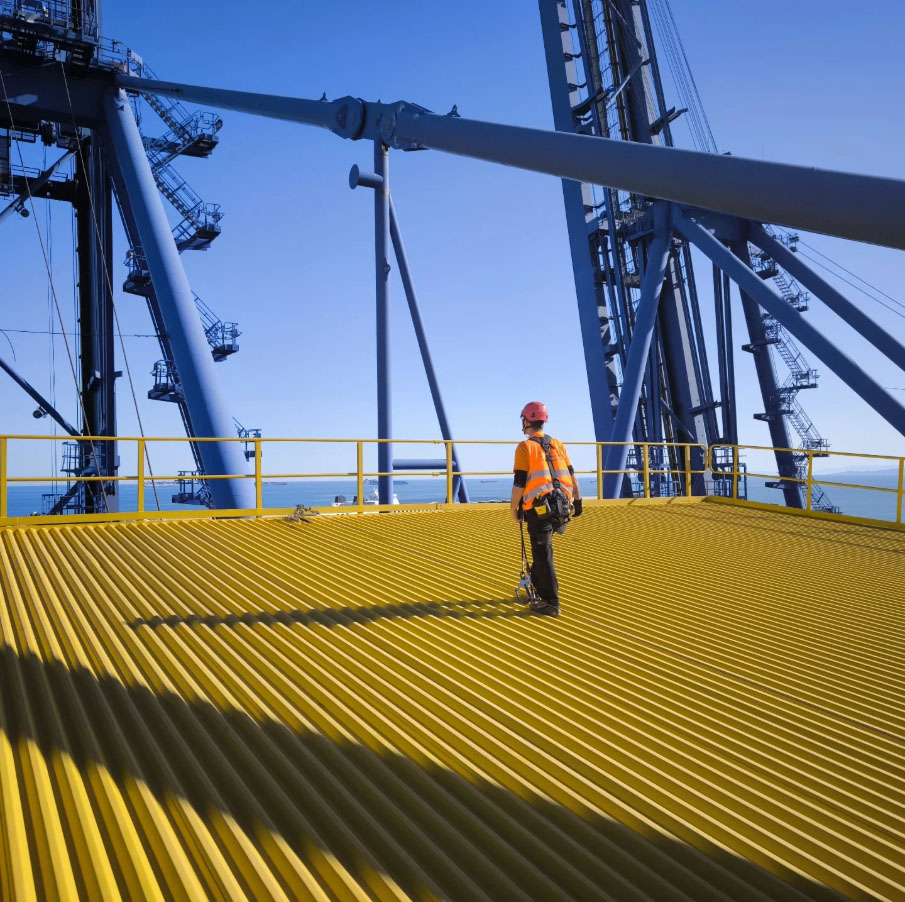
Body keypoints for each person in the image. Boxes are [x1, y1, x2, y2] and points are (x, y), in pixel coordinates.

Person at [510, 401, 582, 616]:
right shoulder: (558, 444)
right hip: (562, 507)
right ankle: (539, 587)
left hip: (539, 509)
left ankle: (551, 602)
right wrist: (578, 502)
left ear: (527, 421)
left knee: (542, 553)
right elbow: (572, 476)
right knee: (542, 551)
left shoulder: (525, 446)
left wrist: (514, 508)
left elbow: (520, 482)